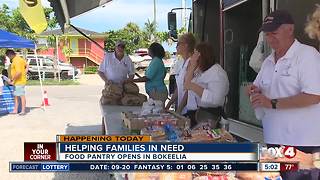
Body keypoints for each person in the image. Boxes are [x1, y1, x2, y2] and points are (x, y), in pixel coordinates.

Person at [247, 10, 320, 179]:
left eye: (274, 33)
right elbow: (257, 88)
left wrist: (272, 103)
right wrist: (253, 91)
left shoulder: (308, 56)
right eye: (267, 34)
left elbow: (314, 95)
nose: (270, 38)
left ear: (290, 29)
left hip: (302, 146)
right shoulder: (268, 61)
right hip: (274, 143)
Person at [184, 42, 229, 127]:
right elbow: (186, 84)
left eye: (195, 54)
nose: (193, 57)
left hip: (211, 116)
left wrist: (193, 86)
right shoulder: (201, 71)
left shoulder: (217, 73)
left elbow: (216, 99)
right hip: (199, 113)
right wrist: (192, 66)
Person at [165, 33, 196, 114]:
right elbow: (179, 88)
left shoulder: (192, 63)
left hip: (190, 110)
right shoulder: (182, 62)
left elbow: (189, 90)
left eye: (178, 43)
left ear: (186, 45)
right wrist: (169, 104)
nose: (176, 46)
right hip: (183, 109)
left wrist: (179, 109)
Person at [6, 50, 27, 115]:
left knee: (21, 96)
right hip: (17, 81)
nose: (8, 58)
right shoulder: (19, 59)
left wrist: (12, 80)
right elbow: (27, 65)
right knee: (16, 96)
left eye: (8, 56)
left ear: (10, 54)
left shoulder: (16, 60)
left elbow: (18, 72)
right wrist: (25, 72)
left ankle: (23, 111)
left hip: (19, 81)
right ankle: (15, 110)